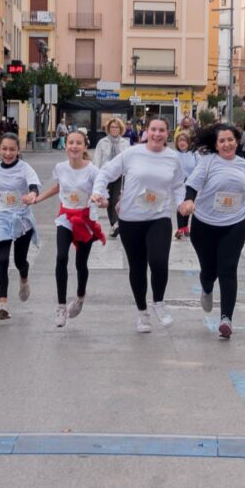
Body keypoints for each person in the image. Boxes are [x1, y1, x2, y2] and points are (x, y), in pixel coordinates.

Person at [91, 116, 186, 333]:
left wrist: (181, 203)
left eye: (162, 130)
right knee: (138, 266)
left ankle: (159, 303)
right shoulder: (132, 153)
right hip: (131, 218)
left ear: (167, 133)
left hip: (159, 217)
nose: (157, 134)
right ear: (147, 131)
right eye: (153, 129)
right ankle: (142, 313)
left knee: (159, 261)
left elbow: (179, 185)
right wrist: (99, 191)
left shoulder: (173, 158)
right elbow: (105, 172)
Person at [179, 123, 245, 339]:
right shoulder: (208, 162)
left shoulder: (244, 165)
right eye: (222, 141)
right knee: (209, 271)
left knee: (228, 269)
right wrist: (188, 201)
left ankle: (226, 319)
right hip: (204, 225)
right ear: (216, 145)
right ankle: (206, 287)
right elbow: (192, 186)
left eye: (230, 140)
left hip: (233, 225)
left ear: (237, 141)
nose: (227, 144)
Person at [35, 129, 104, 327]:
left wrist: (99, 200)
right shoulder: (60, 167)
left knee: (81, 264)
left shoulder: (93, 171)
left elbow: (103, 198)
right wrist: (38, 198)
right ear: (66, 146)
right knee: (61, 257)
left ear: (84, 146)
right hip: (65, 217)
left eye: (78, 143)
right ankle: (61, 306)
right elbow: (58, 187)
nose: (74, 146)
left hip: (85, 220)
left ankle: (80, 297)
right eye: (71, 142)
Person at [0, 133, 40, 320]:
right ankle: (3, 304)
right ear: (0, 149)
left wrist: (32, 195)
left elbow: (34, 186)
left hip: (21, 218)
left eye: (12, 149)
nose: (7, 153)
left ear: (18, 150)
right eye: (4, 149)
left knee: (19, 261)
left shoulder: (25, 168)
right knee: (2, 260)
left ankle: (24, 277)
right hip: (1, 218)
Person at [93, 118, 129, 238]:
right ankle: (114, 224)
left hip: (119, 175)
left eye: (117, 127)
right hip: (106, 175)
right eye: (112, 127)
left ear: (120, 129)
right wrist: (96, 176)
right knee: (108, 202)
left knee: (116, 200)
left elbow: (129, 160)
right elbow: (97, 159)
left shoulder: (125, 143)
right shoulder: (102, 142)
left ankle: (116, 224)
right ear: (109, 129)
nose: (114, 129)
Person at [174, 131, 197, 239]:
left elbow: (200, 168)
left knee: (188, 205)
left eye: (184, 140)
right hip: (179, 184)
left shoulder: (194, 154)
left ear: (188, 142)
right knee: (180, 205)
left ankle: (185, 227)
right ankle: (179, 229)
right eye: (179, 140)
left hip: (191, 184)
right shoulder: (174, 155)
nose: (182, 143)